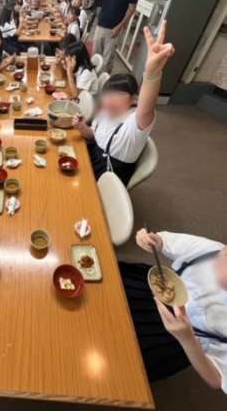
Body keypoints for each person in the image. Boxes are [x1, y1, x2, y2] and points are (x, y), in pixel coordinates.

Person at [119, 226, 227, 391]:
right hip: (151, 289)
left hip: (174, 339)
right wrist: (154, 241)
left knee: (121, 357)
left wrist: (187, 339)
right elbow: (166, 243)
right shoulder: (213, 249)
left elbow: (217, 379)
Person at [74, 21, 174, 185]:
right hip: (87, 164)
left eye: (119, 94)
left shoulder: (134, 124)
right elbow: (95, 135)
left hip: (102, 182)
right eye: (108, 94)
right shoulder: (105, 113)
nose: (109, 99)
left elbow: (146, 107)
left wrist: (152, 74)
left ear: (133, 99)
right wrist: (82, 128)